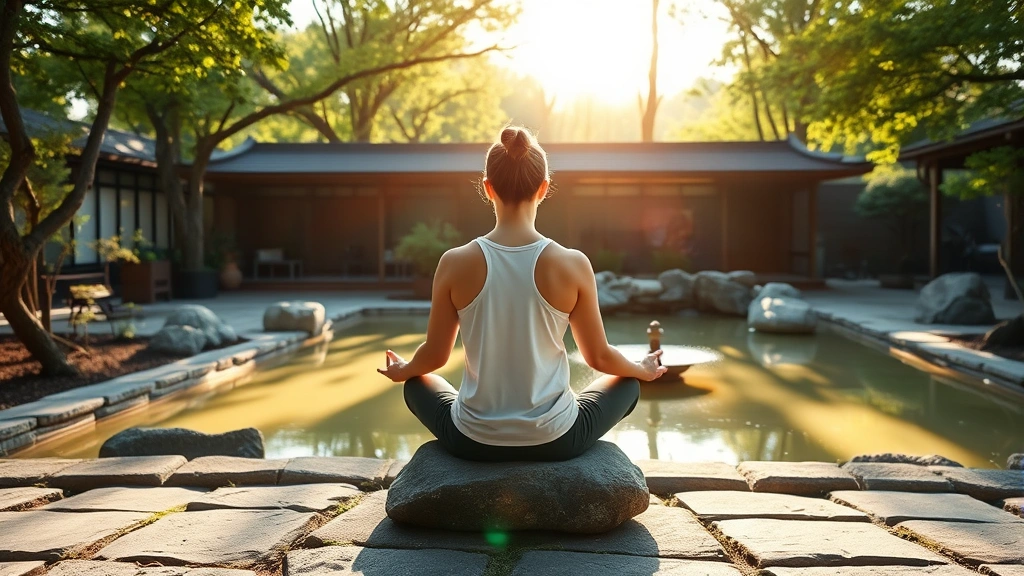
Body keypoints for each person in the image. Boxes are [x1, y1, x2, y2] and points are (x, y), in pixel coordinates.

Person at [377, 126, 667, 462]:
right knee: (628, 384)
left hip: (472, 440)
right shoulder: (572, 263)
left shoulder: (454, 262)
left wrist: (404, 369)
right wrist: (641, 368)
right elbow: (599, 358)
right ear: (544, 189)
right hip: (556, 439)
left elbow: (435, 357)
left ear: (488, 188)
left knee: (417, 384)